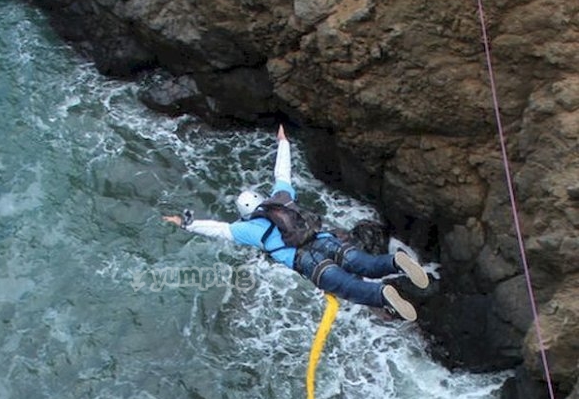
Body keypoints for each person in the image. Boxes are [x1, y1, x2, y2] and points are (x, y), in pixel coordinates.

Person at [163, 125, 429, 321]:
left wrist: (187, 223)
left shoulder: (245, 228)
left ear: (244, 213)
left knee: (349, 287)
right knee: (364, 264)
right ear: (262, 199)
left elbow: (217, 229)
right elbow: (282, 172)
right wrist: (283, 143)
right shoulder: (282, 199)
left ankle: (382, 295)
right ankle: (396, 263)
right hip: (326, 241)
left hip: (308, 263)